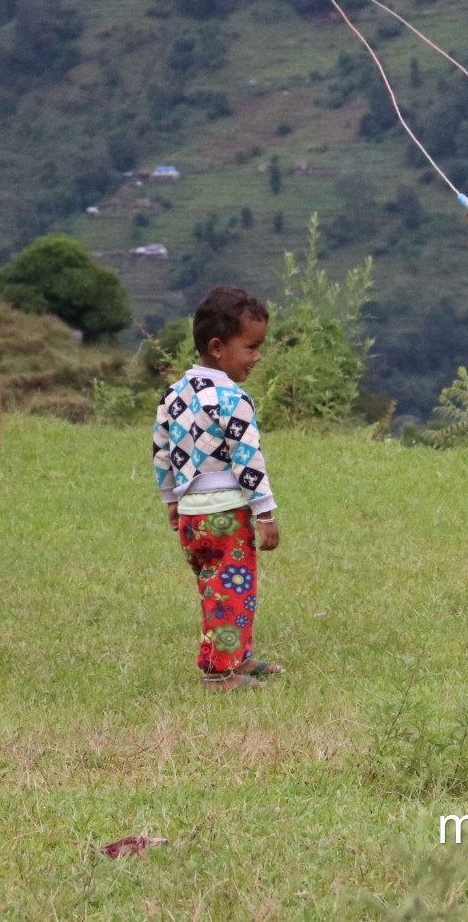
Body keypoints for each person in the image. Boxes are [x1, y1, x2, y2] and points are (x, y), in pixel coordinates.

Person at [152, 286, 284, 691]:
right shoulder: (233, 398)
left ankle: (238, 657)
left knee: (216, 589)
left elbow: (162, 451)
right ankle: (219, 674)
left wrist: (173, 500)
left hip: (194, 518)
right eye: (250, 347)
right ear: (216, 348)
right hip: (226, 515)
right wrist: (265, 513)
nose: (257, 357)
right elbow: (248, 461)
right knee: (233, 593)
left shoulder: (174, 395)